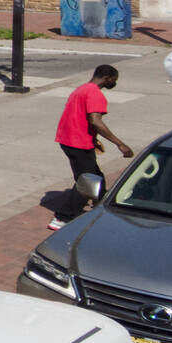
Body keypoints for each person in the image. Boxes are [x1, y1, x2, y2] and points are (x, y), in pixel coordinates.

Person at [51, 63, 132, 230]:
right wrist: (120, 144)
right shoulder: (96, 94)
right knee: (87, 184)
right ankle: (62, 218)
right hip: (78, 143)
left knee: (96, 176)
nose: (114, 83)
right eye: (114, 80)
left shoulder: (82, 89)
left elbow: (78, 117)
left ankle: (102, 203)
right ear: (107, 77)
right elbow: (95, 121)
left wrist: (93, 140)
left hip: (68, 140)